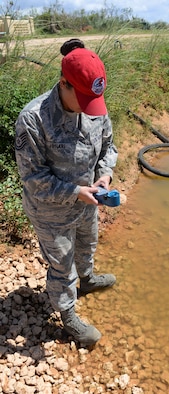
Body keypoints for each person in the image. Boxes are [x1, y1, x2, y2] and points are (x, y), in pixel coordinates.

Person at [15, 38, 118, 346]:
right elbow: (32, 177)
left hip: (88, 202)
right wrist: (75, 191)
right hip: (51, 211)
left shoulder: (93, 105)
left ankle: (85, 280)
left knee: (88, 244)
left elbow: (108, 147)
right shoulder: (33, 119)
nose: (90, 109)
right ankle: (68, 316)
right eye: (83, 99)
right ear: (64, 84)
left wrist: (105, 175)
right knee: (61, 264)